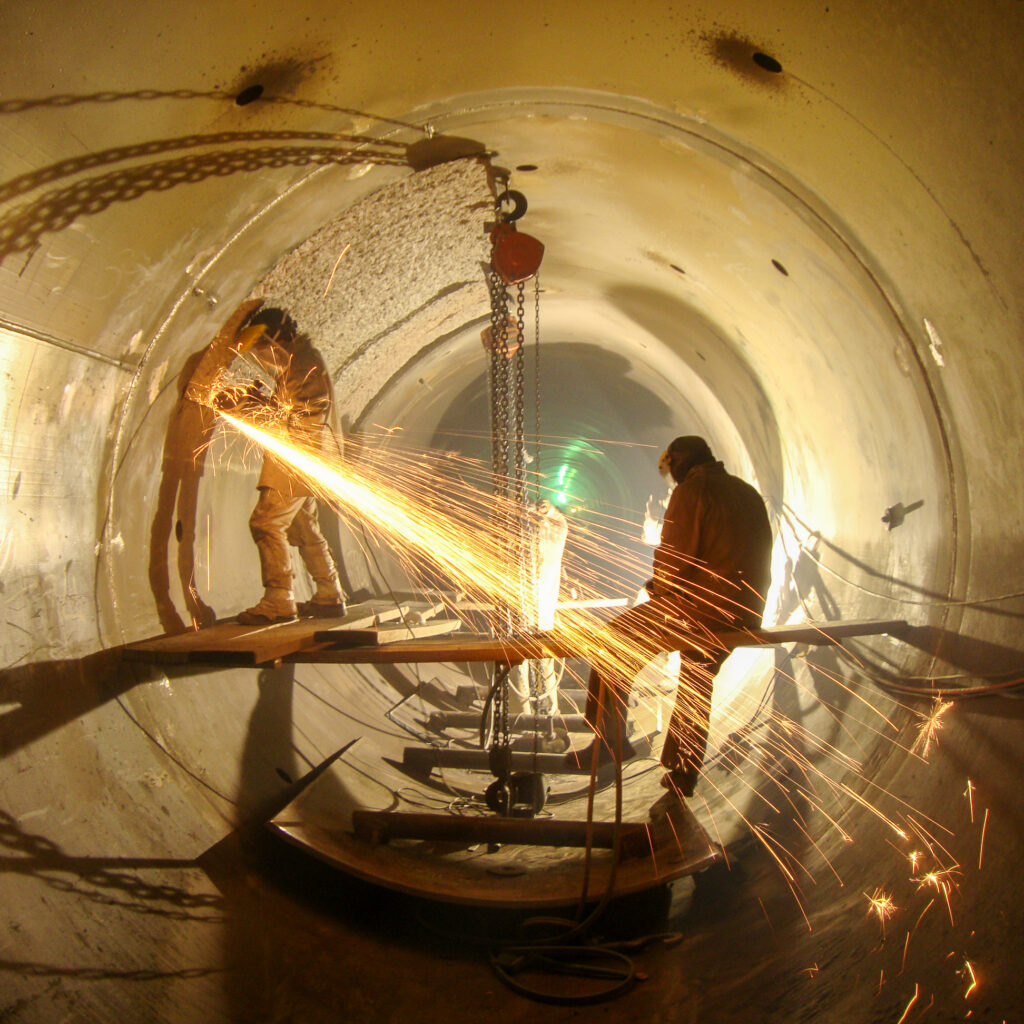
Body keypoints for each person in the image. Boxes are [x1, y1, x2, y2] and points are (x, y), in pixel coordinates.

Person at [577, 436, 773, 797]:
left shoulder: (692, 492)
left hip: (703, 609)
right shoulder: (745, 491)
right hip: (746, 609)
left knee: (611, 640)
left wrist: (656, 594)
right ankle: (684, 771)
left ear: (680, 462)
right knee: (698, 678)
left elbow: (673, 561)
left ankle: (609, 739)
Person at [223, 305, 347, 626]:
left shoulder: (302, 365)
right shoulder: (302, 361)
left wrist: (247, 404)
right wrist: (260, 401)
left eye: (263, 347)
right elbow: (291, 411)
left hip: (297, 461)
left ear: (277, 340)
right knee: (301, 525)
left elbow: (299, 420)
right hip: (307, 461)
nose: (261, 355)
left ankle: (278, 600)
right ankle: (329, 594)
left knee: (266, 523)